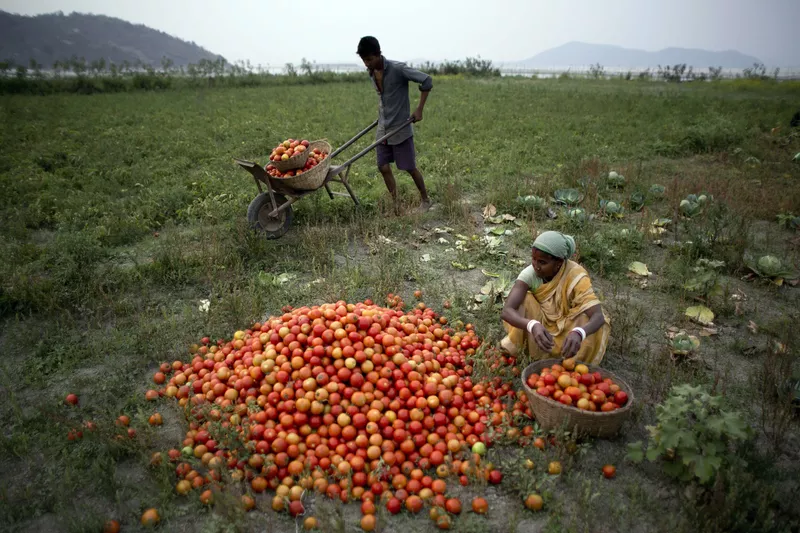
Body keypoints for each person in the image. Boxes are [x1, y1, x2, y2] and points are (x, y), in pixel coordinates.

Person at [500, 231, 610, 365]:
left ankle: (573, 363)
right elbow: (507, 310)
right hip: (543, 323)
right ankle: (530, 353)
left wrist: (579, 332)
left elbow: (598, 316)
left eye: (542, 262)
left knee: (589, 318)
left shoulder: (575, 275)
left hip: (569, 325)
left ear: (559, 263)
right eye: (533, 259)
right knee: (524, 300)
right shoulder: (530, 274)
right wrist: (532, 325)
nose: (536, 266)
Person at [357, 36, 432, 211]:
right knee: (383, 167)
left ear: (378, 55)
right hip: (383, 127)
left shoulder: (398, 69)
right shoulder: (371, 72)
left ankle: (425, 200)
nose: (366, 64)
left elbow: (426, 80)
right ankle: (396, 204)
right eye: (363, 60)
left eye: (369, 59)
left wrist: (419, 109)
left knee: (409, 167)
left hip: (401, 127)